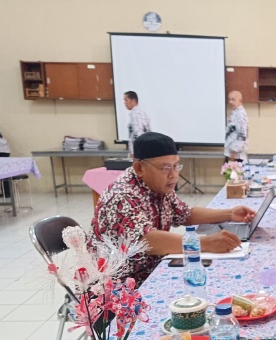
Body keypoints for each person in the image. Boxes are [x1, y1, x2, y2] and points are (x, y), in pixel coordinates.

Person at [89, 132, 255, 285]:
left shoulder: (158, 186)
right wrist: (205, 243)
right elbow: (147, 239)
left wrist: (230, 213)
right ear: (139, 168)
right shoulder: (121, 195)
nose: (173, 174)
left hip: (151, 272)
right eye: (165, 168)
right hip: (117, 288)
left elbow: (185, 214)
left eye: (176, 166)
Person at [124, 91, 151, 157]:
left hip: (139, 151)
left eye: (126, 100)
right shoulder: (142, 112)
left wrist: (133, 152)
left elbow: (137, 134)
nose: (124, 103)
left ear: (133, 101)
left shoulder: (135, 114)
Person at [225, 91, 248, 162]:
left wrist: (234, 153)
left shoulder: (240, 114)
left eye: (233, 99)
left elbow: (242, 135)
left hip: (236, 155)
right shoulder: (235, 112)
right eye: (229, 99)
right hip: (230, 152)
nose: (230, 102)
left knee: (231, 170)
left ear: (240, 100)